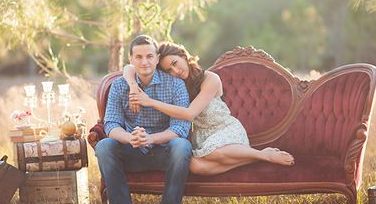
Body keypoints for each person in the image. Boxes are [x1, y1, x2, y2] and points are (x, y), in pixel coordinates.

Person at [125, 42, 295, 176]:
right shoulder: (176, 85)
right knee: (195, 166)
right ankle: (249, 159)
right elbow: (129, 68)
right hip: (203, 137)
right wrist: (133, 86)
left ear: (184, 56)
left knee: (213, 152)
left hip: (226, 131)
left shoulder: (210, 78)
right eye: (169, 70)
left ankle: (262, 154)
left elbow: (190, 114)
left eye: (176, 63)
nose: (176, 71)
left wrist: (150, 102)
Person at [95, 35, 192, 204]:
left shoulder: (176, 85)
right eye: (138, 57)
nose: (144, 62)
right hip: (132, 150)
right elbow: (111, 124)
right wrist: (130, 138)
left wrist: (151, 138)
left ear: (157, 58)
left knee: (182, 146)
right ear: (130, 60)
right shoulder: (119, 86)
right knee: (104, 146)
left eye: (149, 56)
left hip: (165, 152)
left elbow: (180, 128)